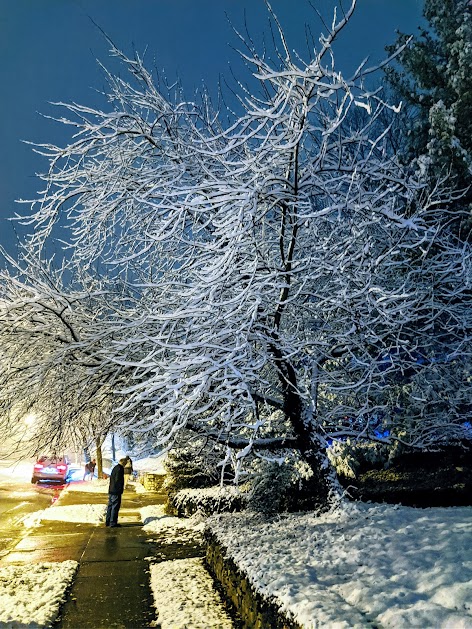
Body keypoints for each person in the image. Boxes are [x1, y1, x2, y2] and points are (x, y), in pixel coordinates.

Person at [105, 458, 126, 527]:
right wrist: (120, 489)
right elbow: (118, 480)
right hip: (116, 491)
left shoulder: (115, 467)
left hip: (111, 490)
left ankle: (108, 521)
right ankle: (113, 522)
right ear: (124, 463)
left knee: (110, 506)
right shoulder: (120, 469)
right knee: (115, 506)